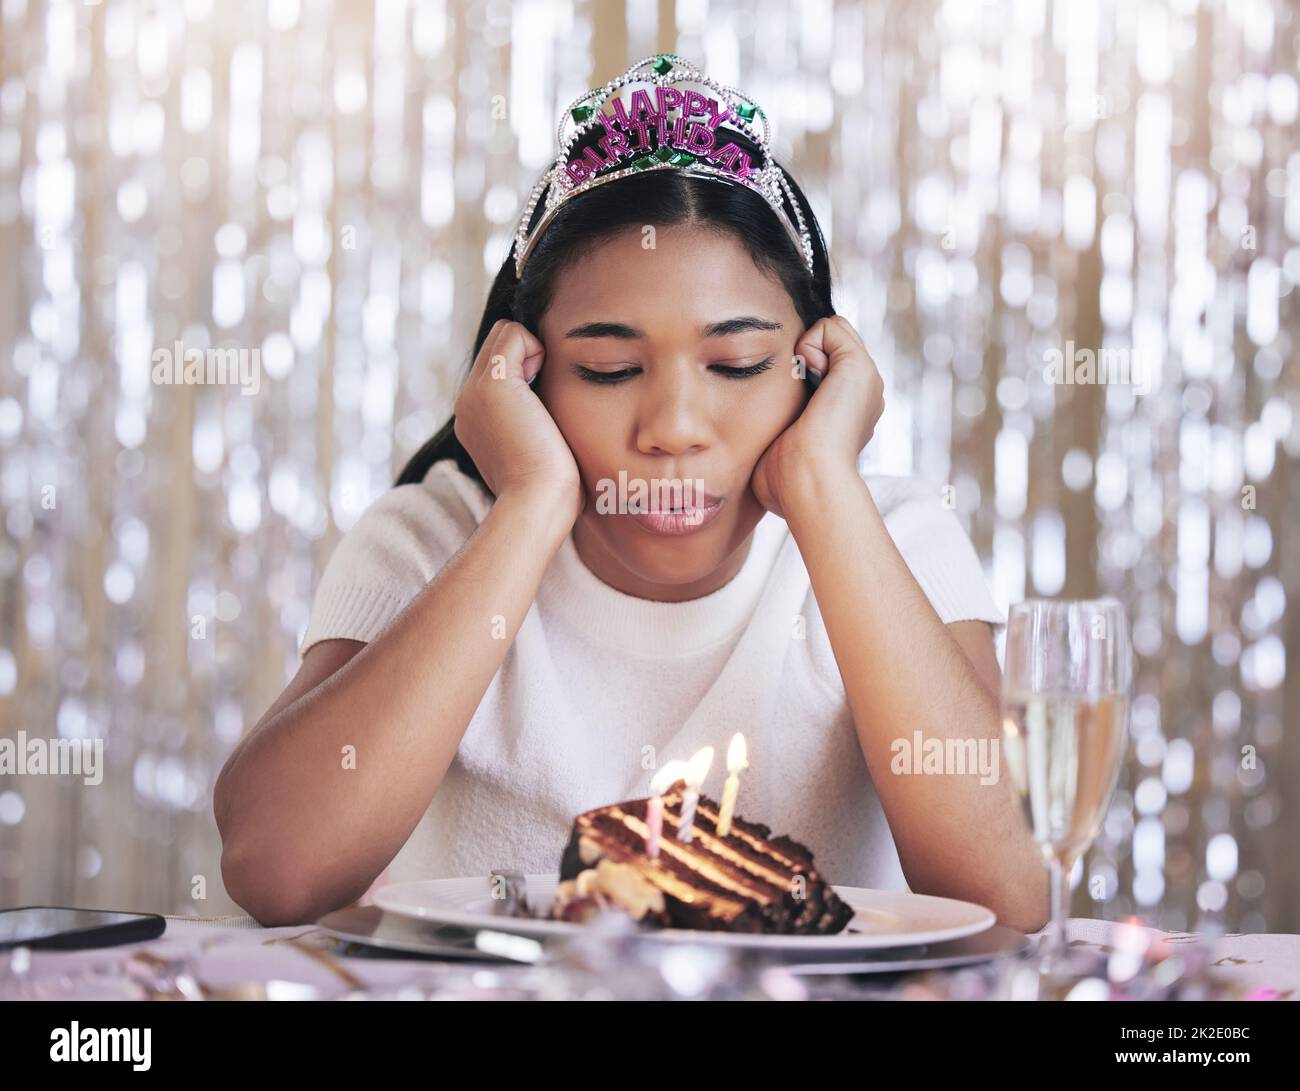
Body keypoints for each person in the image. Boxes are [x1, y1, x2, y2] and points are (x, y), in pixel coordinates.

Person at [215, 55, 1048, 932]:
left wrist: (823, 488)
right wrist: (530, 505)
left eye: (736, 364)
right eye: (609, 369)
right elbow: (273, 868)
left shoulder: (895, 537)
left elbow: (1010, 896)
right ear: (527, 376)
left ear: (814, 369)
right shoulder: (431, 537)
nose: (674, 427)